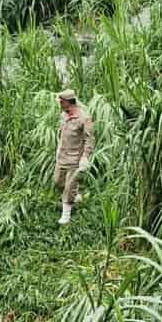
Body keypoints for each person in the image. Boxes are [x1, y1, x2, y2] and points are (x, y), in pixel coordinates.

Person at [54, 89, 95, 225]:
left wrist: (85, 157)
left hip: (74, 159)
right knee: (58, 182)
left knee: (69, 187)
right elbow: (61, 135)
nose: (59, 104)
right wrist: (58, 149)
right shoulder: (63, 116)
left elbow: (89, 140)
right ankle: (75, 195)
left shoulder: (84, 118)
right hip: (62, 157)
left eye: (61, 102)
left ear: (68, 102)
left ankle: (66, 214)